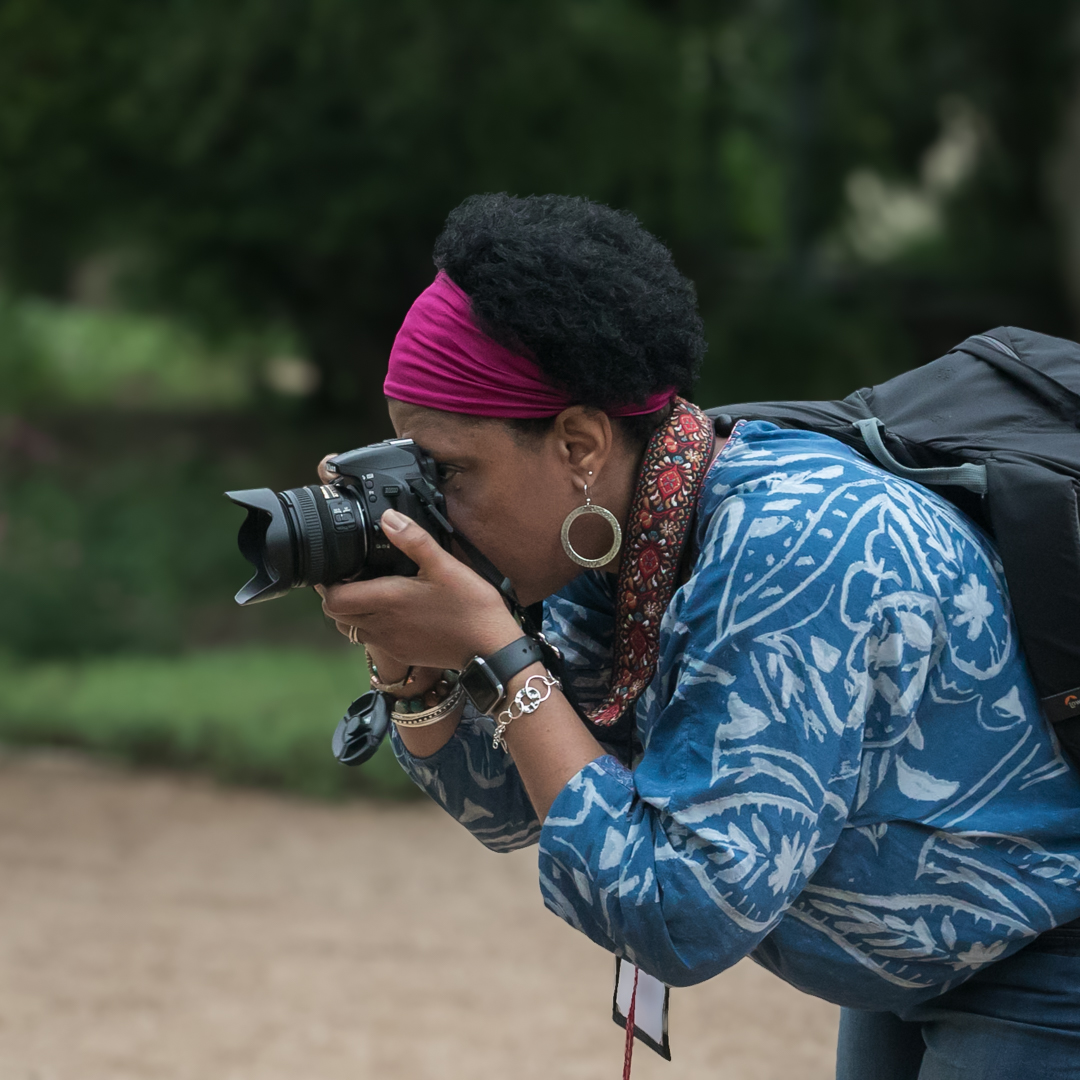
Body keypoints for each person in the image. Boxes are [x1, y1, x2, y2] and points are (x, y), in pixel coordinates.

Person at [317, 193, 1080, 1078]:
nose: (426, 507)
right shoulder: (627, 534)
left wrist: (499, 648)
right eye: (410, 466)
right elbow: (515, 805)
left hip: (1050, 946)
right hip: (934, 955)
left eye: (446, 471)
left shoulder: (795, 546)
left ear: (577, 445)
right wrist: (412, 666)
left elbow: (676, 915)